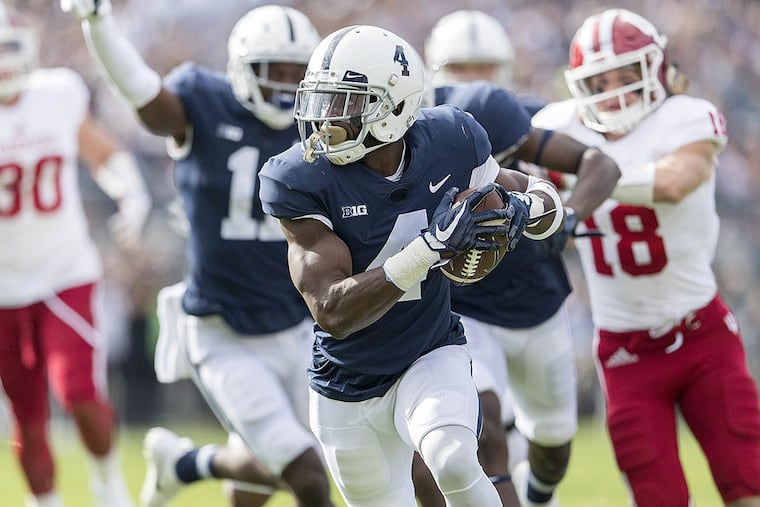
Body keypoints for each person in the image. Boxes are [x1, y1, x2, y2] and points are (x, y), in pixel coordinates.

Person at [258, 24, 567, 507]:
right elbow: (332, 312)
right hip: (347, 382)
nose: (324, 119)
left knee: (454, 458)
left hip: (429, 351)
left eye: (344, 102)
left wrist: (533, 214)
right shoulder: (298, 178)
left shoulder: (451, 139)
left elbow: (531, 193)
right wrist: (430, 248)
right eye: (322, 100)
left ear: (395, 106)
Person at [61, 2, 336, 507]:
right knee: (308, 472)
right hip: (222, 332)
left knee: (287, 465)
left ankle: (186, 464)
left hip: (297, 325)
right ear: (240, 70)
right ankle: (189, 463)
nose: (284, 87)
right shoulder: (204, 103)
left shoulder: (320, 126)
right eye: (273, 72)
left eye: (297, 75)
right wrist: (97, 25)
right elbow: (140, 88)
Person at [531, 8, 760, 507]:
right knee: (657, 498)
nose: (614, 91)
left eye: (625, 76)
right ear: (578, 86)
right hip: (624, 352)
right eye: (600, 80)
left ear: (654, 70)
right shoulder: (558, 129)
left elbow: (677, 180)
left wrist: (586, 181)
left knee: (747, 486)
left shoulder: (685, 117)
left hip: (703, 338)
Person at [413, 10, 621, 507]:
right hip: (465, 310)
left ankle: (537, 497)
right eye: (459, 69)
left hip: (536, 303)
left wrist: (567, 217)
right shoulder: (416, 132)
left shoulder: (513, 117)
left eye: (482, 69)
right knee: (484, 436)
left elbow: (601, 165)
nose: (471, 82)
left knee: (552, 449)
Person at [0, 3, 150, 507]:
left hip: (63, 271)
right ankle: (45, 502)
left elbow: (101, 151)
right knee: (26, 417)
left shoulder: (55, 94)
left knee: (79, 392)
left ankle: (108, 482)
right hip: (3, 288)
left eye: (8, 50)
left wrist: (130, 191)